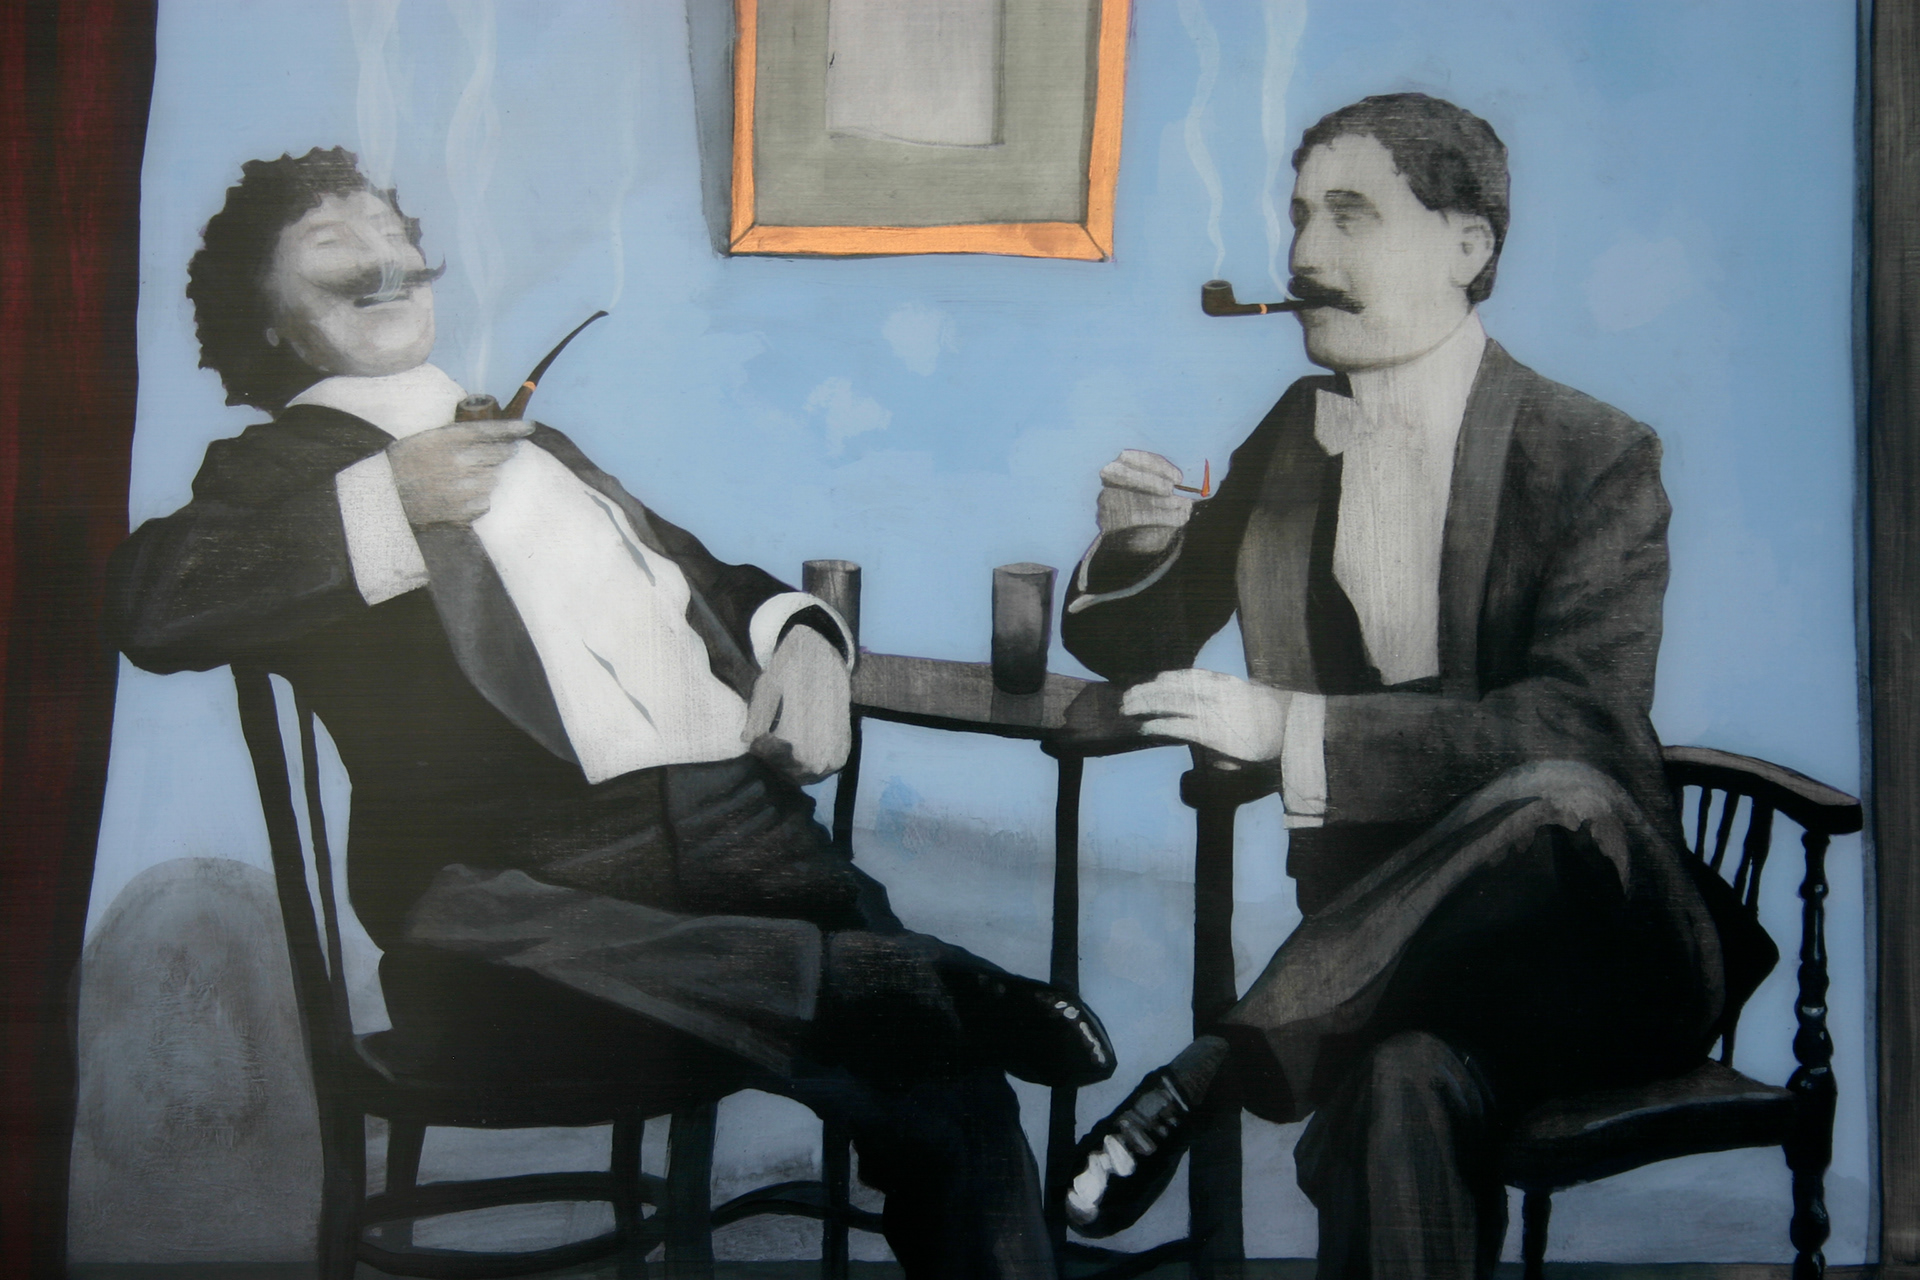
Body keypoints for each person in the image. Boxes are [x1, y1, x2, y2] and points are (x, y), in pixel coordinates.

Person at [106, 147, 1113, 1280]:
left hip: (745, 837)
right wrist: (393, 499)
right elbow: (150, 603)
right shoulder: (282, 471)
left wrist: (807, 640)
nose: (381, 260)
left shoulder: (538, 446)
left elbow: (708, 577)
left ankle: (882, 985)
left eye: (392, 232)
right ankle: (884, 977)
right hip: (528, 898)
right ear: (267, 319)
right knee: (906, 1006)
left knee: (948, 1082)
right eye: (333, 247)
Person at [1054, 95, 1770, 1277]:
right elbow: (1146, 638)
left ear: (1466, 246)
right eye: (1298, 216)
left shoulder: (1593, 454)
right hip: (1394, 984)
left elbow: (1580, 725)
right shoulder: (1297, 429)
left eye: (1350, 216)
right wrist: (1135, 544)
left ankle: (1215, 1064)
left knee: (1558, 791)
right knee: (1398, 1088)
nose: (1303, 255)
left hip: (1598, 955)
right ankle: (1246, 1061)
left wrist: (1297, 728)